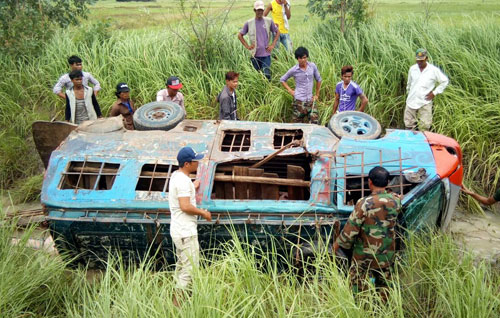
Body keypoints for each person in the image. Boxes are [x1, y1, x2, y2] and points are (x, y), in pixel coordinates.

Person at [333, 166, 401, 300]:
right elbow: (396, 199)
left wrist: (338, 244)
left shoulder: (364, 203)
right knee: (385, 284)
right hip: (387, 253)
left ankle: (361, 306)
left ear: (369, 182)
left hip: (364, 255)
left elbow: (351, 229)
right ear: (387, 183)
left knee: (357, 282)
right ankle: (383, 308)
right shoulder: (396, 201)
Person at [169, 147, 211, 305]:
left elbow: (181, 192)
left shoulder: (177, 176)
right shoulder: (182, 181)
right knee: (189, 271)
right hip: (186, 232)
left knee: (182, 268)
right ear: (187, 164)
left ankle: (176, 303)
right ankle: (177, 307)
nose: (197, 163)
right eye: (195, 161)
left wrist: (192, 186)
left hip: (178, 231)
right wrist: (203, 213)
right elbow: (185, 206)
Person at [405, 48, 449, 131]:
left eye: (421, 60)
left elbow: (444, 81)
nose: (419, 63)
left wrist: (434, 93)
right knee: (408, 125)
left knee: (425, 126)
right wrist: (409, 93)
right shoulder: (412, 69)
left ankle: (422, 142)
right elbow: (409, 83)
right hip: (411, 100)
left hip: (425, 101)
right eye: (418, 60)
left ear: (426, 58)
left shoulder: (433, 70)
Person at [238, 0, 280, 80]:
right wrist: (247, 46)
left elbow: (277, 31)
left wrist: (273, 45)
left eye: (261, 10)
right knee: (256, 76)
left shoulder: (268, 21)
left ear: (263, 10)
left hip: (266, 54)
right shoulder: (249, 23)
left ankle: (268, 90)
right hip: (255, 55)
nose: (260, 12)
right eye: (258, 10)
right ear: (254, 10)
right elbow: (240, 35)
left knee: (267, 75)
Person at [280, 47, 321, 124]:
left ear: (307, 57)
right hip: (299, 101)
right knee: (297, 125)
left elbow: (319, 79)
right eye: (300, 58)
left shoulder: (312, 66)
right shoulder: (294, 70)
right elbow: (282, 79)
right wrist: (290, 91)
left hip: (311, 101)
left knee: (315, 122)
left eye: (304, 58)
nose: (303, 60)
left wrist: (317, 95)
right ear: (297, 59)